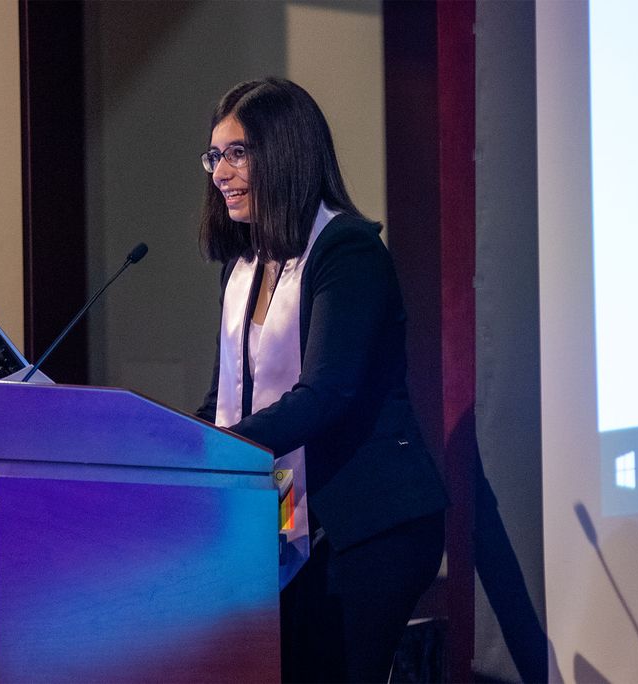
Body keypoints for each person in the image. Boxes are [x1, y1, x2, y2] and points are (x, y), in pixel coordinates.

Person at [194, 77, 449, 683]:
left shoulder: (348, 252)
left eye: (236, 154)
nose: (219, 173)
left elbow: (327, 394)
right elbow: (223, 399)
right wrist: (174, 449)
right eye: (214, 155)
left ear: (283, 153)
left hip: (369, 527)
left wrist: (214, 452)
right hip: (286, 524)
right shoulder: (245, 266)